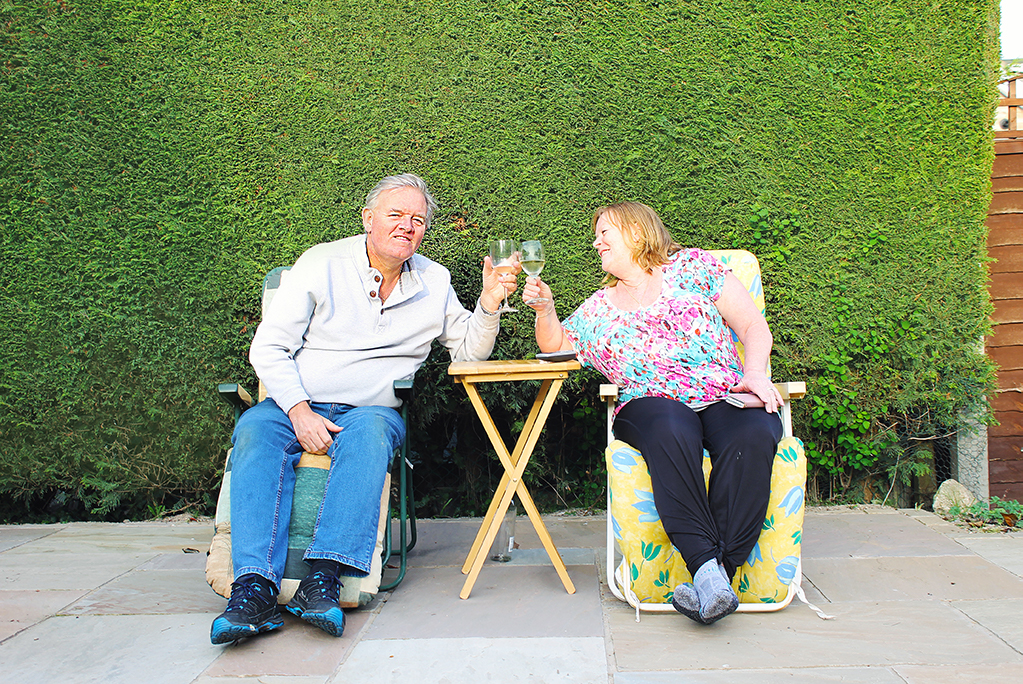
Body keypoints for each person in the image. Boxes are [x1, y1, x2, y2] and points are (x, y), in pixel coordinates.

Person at [211, 173, 519, 644]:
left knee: (373, 434)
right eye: (395, 215)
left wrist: (490, 303)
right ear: (368, 219)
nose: (407, 226)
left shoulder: (434, 281)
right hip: (295, 401)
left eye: (417, 219)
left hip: (368, 410)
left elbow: (467, 353)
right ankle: (252, 588)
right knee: (254, 429)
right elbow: (269, 348)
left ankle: (323, 580)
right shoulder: (321, 263)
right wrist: (297, 411)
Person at [522, 201, 783, 625]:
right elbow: (557, 349)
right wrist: (545, 310)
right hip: (649, 404)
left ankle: (714, 582)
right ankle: (708, 569)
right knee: (670, 425)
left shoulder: (693, 267)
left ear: (639, 233)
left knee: (753, 433)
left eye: (606, 231)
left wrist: (754, 374)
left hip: (722, 391)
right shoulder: (600, 306)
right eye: (596, 234)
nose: (596, 241)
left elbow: (753, 327)